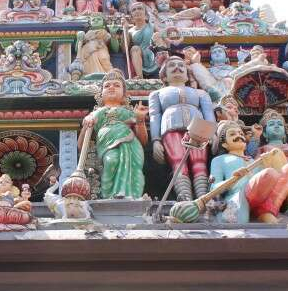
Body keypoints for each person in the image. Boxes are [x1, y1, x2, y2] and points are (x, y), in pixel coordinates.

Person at [148, 57, 215, 201]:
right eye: (171, 65)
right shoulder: (157, 94)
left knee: (199, 162)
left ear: (187, 75)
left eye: (181, 65)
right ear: (164, 76)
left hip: (198, 127)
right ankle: (185, 199)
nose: (177, 67)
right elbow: (154, 116)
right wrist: (155, 140)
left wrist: (212, 132)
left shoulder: (200, 93)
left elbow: (208, 113)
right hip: (171, 129)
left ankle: (203, 198)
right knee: (178, 162)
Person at [79, 71, 148, 199]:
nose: (111, 87)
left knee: (132, 167)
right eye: (107, 85)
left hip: (131, 145)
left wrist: (140, 119)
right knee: (111, 161)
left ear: (124, 94)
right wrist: (86, 126)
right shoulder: (96, 113)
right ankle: (109, 196)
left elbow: (143, 141)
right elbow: (81, 145)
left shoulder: (129, 112)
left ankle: (129, 195)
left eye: (116, 85)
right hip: (106, 145)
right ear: (100, 94)